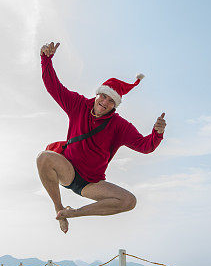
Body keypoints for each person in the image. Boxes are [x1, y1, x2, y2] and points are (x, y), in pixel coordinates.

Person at [36, 41, 166, 233]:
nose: (105, 102)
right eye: (103, 97)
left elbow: (145, 146)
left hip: (91, 182)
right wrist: (46, 60)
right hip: (68, 170)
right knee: (44, 157)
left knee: (129, 201)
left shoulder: (120, 125)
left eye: (111, 100)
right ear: (97, 95)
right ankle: (59, 208)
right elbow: (53, 87)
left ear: (115, 105)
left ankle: (73, 213)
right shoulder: (78, 105)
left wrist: (157, 133)